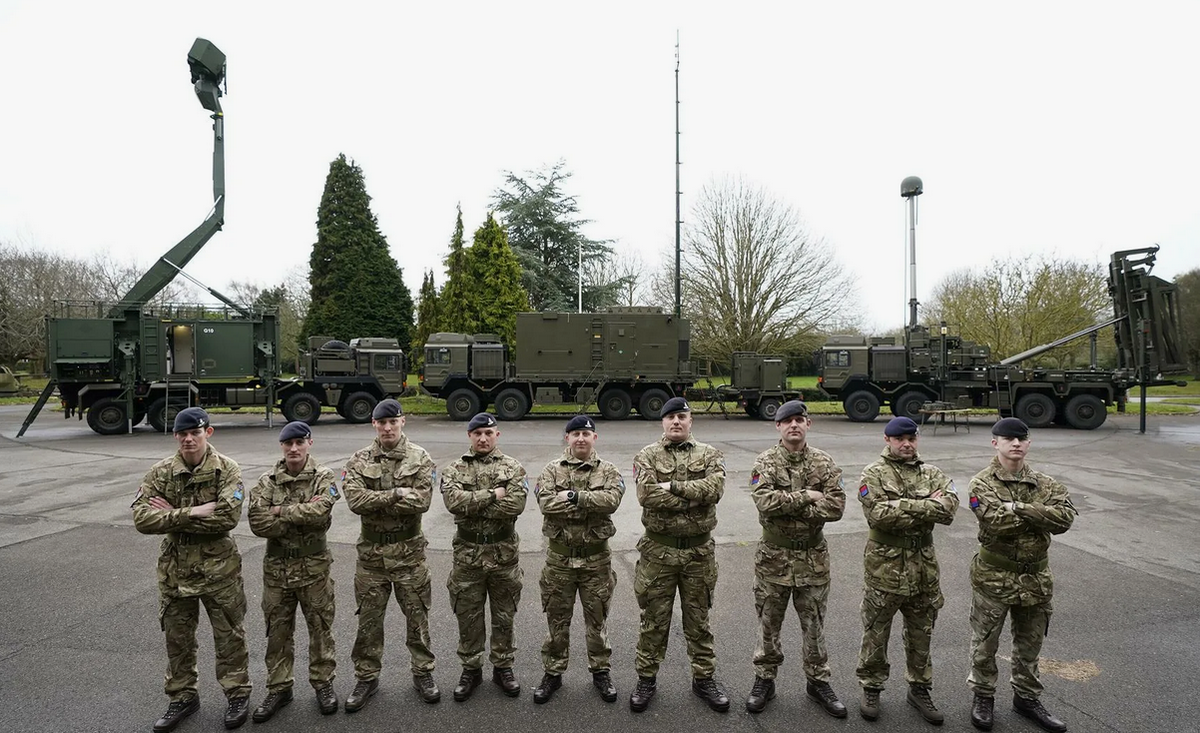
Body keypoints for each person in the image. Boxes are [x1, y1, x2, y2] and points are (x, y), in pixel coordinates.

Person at [131, 407, 252, 732]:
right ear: (176, 436)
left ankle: (237, 693)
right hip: (175, 572)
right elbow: (141, 519)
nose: (188, 439)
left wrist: (172, 514)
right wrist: (193, 511)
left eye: (194, 433)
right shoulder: (160, 472)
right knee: (178, 639)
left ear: (207, 433)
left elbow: (227, 518)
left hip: (219, 571)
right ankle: (182, 696)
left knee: (229, 637)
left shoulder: (227, 469)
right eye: (182, 434)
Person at [966, 418, 1076, 732]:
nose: (1016, 443)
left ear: (1028, 444)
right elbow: (993, 522)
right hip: (994, 576)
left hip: (1036, 578)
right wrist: (1040, 513)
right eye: (1008, 438)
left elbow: (1065, 518)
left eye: (1021, 439)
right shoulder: (981, 483)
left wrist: (1017, 507)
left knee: (1030, 644)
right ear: (995, 443)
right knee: (985, 642)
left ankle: (1026, 697)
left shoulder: (1046, 482)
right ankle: (983, 695)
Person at [745, 400, 847, 718]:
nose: (794, 425)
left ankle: (818, 682)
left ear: (808, 424)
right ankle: (764, 680)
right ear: (778, 426)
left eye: (799, 419)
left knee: (814, 625)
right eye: (787, 420)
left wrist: (789, 503)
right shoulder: (765, 462)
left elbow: (837, 506)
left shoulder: (825, 462)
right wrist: (807, 496)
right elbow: (764, 501)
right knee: (768, 624)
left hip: (812, 558)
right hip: (773, 559)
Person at [856, 416, 958, 726]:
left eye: (911, 438)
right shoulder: (873, 473)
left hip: (923, 567)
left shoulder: (932, 472)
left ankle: (919, 688)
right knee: (876, 630)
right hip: (884, 567)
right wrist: (926, 504)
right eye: (899, 438)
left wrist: (903, 505)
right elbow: (878, 514)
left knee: (921, 632)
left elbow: (950, 509)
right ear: (886, 440)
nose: (906, 444)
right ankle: (872, 687)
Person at [629, 397, 729, 713]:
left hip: (698, 554)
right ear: (662, 421)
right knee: (653, 620)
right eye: (670, 416)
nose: (676, 422)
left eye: (682, 416)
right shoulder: (647, 455)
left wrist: (670, 487)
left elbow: (715, 490)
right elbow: (646, 495)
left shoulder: (710, 454)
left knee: (699, 619)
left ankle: (704, 679)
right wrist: (691, 495)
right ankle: (646, 678)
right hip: (658, 553)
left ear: (690, 421)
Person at [342, 398, 440, 712]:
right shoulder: (358, 459)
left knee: (417, 618)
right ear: (374, 424)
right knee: (369, 622)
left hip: (409, 555)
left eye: (392, 422)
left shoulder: (420, 457)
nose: (387, 428)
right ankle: (366, 677)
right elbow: (355, 500)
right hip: (371, 559)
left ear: (402, 422)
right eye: (381, 423)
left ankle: (423, 673)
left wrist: (377, 499)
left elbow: (422, 501)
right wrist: (397, 493)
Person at [246, 421, 340, 721]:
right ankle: (278, 688)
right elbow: (258, 523)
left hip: (314, 568)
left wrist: (279, 510)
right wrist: (299, 513)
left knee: (320, 629)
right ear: (282, 446)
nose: (294, 448)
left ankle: (323, 684)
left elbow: (321, 512)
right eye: (288, 443)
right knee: (277, 632)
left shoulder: (324, 476)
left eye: (299, 442)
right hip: (277, 571)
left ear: (309, 443)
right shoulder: (266, 481)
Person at [531, 415, 625, 705]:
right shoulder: (550, 470)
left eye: (586, 433)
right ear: (567, 438)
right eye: (575, 434)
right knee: (557, 619)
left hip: (596, 560)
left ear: (594, 438)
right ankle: (553, 673)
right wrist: (588, 501)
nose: (581, 438)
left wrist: (572, 496)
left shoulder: (608, 470)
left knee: (596, 619)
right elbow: (545, 503)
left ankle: (600, 671)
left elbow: (612, 501)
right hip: (560, 560)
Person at [440, 412, 529, 701]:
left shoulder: (513, 467)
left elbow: (515, 505)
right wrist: (494, 494)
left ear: (497, 435)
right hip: (467, 556)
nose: (482, 438)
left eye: (488, 433)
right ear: (469, 436)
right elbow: (453, 503)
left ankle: (503, 666)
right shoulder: (454, 468)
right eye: (477, 433)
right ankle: (471, 669)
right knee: (468, 615)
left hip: (503, 555)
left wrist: (474, 502)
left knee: (504, 614)